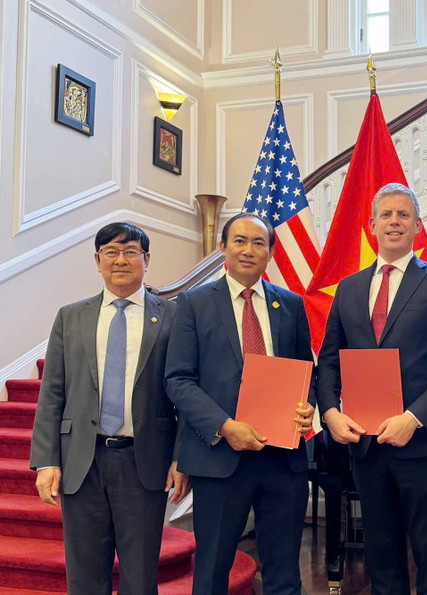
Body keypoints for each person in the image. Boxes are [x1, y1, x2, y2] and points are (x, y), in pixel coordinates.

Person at [317, 183, 427, 595]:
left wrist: (413, 418)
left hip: (420, 442)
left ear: (418, 226)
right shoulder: (348, 289)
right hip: (365, 444)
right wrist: (330, 413)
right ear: (371, 226)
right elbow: (329, 359)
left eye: (403, 215)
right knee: (380, 550)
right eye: (385, 215)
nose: (394, 222)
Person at [29, 222, 189, 594]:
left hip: (144, 462)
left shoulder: (174, 317)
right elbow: (52, 392)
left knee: (139, 573)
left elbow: (184, 392)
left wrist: (182, 458)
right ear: (97, 261)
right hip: (82, 461)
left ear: (146, 260)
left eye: (131, 252)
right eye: (111, 252)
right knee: (84, 574)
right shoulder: (71, 317)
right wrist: (47, 460)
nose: (121, 260)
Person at [164, 213, 315, 595]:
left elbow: (304, 372)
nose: (249, 250)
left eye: (259, 243)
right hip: (220, 460)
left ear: (269, 254)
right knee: (212, 571)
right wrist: (225, 426)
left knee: (284, 573)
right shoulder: (194, 304)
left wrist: (307, 407)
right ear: (223, 249)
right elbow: (178, 380)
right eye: (240, 241)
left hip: (282, 459)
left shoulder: (292, 306)